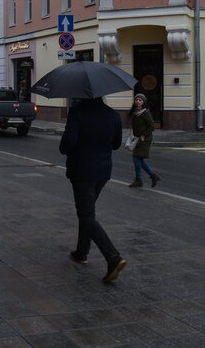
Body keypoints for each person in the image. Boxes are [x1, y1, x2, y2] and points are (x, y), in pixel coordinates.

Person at [59, 97, 127, 283]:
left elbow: (68, 144)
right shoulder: (113, 115)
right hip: (103, 172)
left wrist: (67, 143)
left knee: (86, 215)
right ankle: (81, 251)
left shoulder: (77, 112)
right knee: (87, 211)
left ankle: (113, 257)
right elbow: (115, 144)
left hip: (82, 171)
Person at [128, 93, 160, 188]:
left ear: (143, 102)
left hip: (144, 139)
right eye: (136, 100)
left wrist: (143, 135)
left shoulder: (145, 112)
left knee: (136, 158)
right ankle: (153, 176)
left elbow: (152, 126)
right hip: (138, 138)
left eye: (140, 100)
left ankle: (139, 180)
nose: (138, 101)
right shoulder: (135, 112)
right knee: (139, 159)